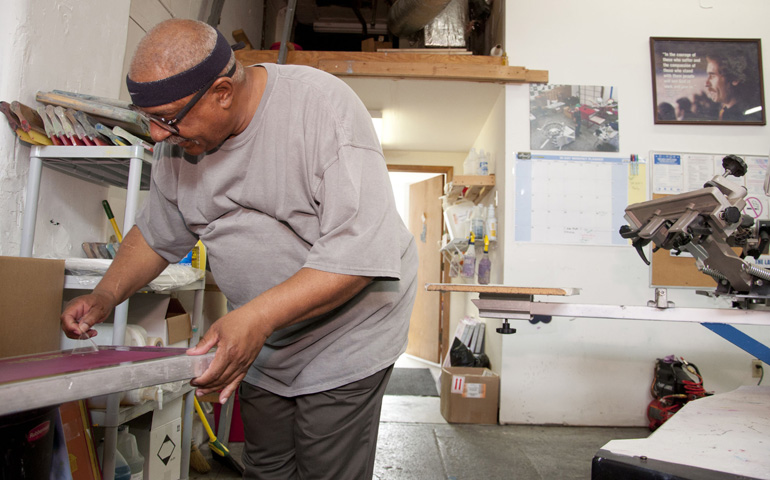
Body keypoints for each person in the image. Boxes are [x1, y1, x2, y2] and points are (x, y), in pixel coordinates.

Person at [61, 19, 417, 479]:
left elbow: (360, 253)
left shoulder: (321, 109)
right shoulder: (179, 143)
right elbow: (157, 233)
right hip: (265, 337)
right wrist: (106, 295)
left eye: (166, 119)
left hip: (347, 332)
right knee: (267, 466)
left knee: (324, 467)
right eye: (146, 119)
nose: (156, 135)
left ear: (223, 92)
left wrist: (255, 317)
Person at [704, 45, 763, 122]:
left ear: (735, 79)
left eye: (713, 75)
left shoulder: (750, 118)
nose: (707, 83)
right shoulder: (725, 111)